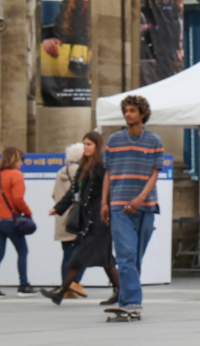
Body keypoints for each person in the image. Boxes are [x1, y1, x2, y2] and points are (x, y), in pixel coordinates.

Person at [42, 131, 123, 306]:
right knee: (106, 259)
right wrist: (58, 208)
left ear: (97, 146)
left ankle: (61, 292)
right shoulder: (83, 167)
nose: (86, 147)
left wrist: (108, 210)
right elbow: (73, 192)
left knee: (79, 257)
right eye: (84, 144)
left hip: (101, 220)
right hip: (89, 220)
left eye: (89, 144)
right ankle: (119, 290)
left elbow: (109, 191)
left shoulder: (101, 166)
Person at [103, 94, 165, 319]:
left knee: (135, 258)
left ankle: (125, 300)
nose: (128, 114)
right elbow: (108, 173)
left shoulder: (154, 141)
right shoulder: (113, 141)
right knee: (126, 255)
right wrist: (104, 202)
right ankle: (132, 302)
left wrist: (140, 199)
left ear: (142, 114)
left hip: (146, 206)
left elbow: (154, 174)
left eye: (132, 111)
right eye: (125, 111)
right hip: (119, 205)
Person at [0, 147, 36, 298]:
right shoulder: (17, 175)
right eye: (21, 160)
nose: (22, 163)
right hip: (10, 220)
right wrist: (28, 212)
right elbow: (18, 198)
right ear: (15, 160)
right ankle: (23, 285)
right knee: (22, 251)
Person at [50, 142, 86, 297]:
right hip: (78, 218)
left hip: (62, 217)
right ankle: (74, 282)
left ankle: (65, 287)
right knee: (83, 252)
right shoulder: (82, 172)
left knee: (67, 254)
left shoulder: (61, 172)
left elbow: (54, 195)